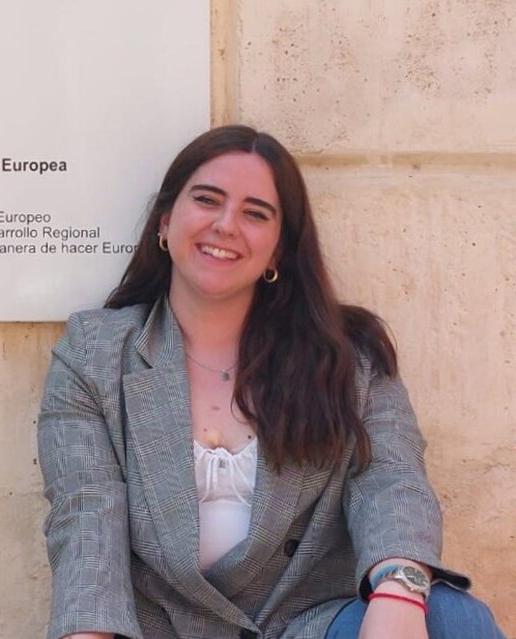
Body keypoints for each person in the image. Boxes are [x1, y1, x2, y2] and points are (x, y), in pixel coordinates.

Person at [36, 125, 506, 639]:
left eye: (255, 213)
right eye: (207, 200)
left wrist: (399, 590)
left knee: (453, 617)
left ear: (279, 249)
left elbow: (391, 480)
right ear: (165, 221)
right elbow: (87, 518)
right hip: (163, 630)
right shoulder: (96, 353)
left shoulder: (348, 356)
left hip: (309, 625)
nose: (225, 225)